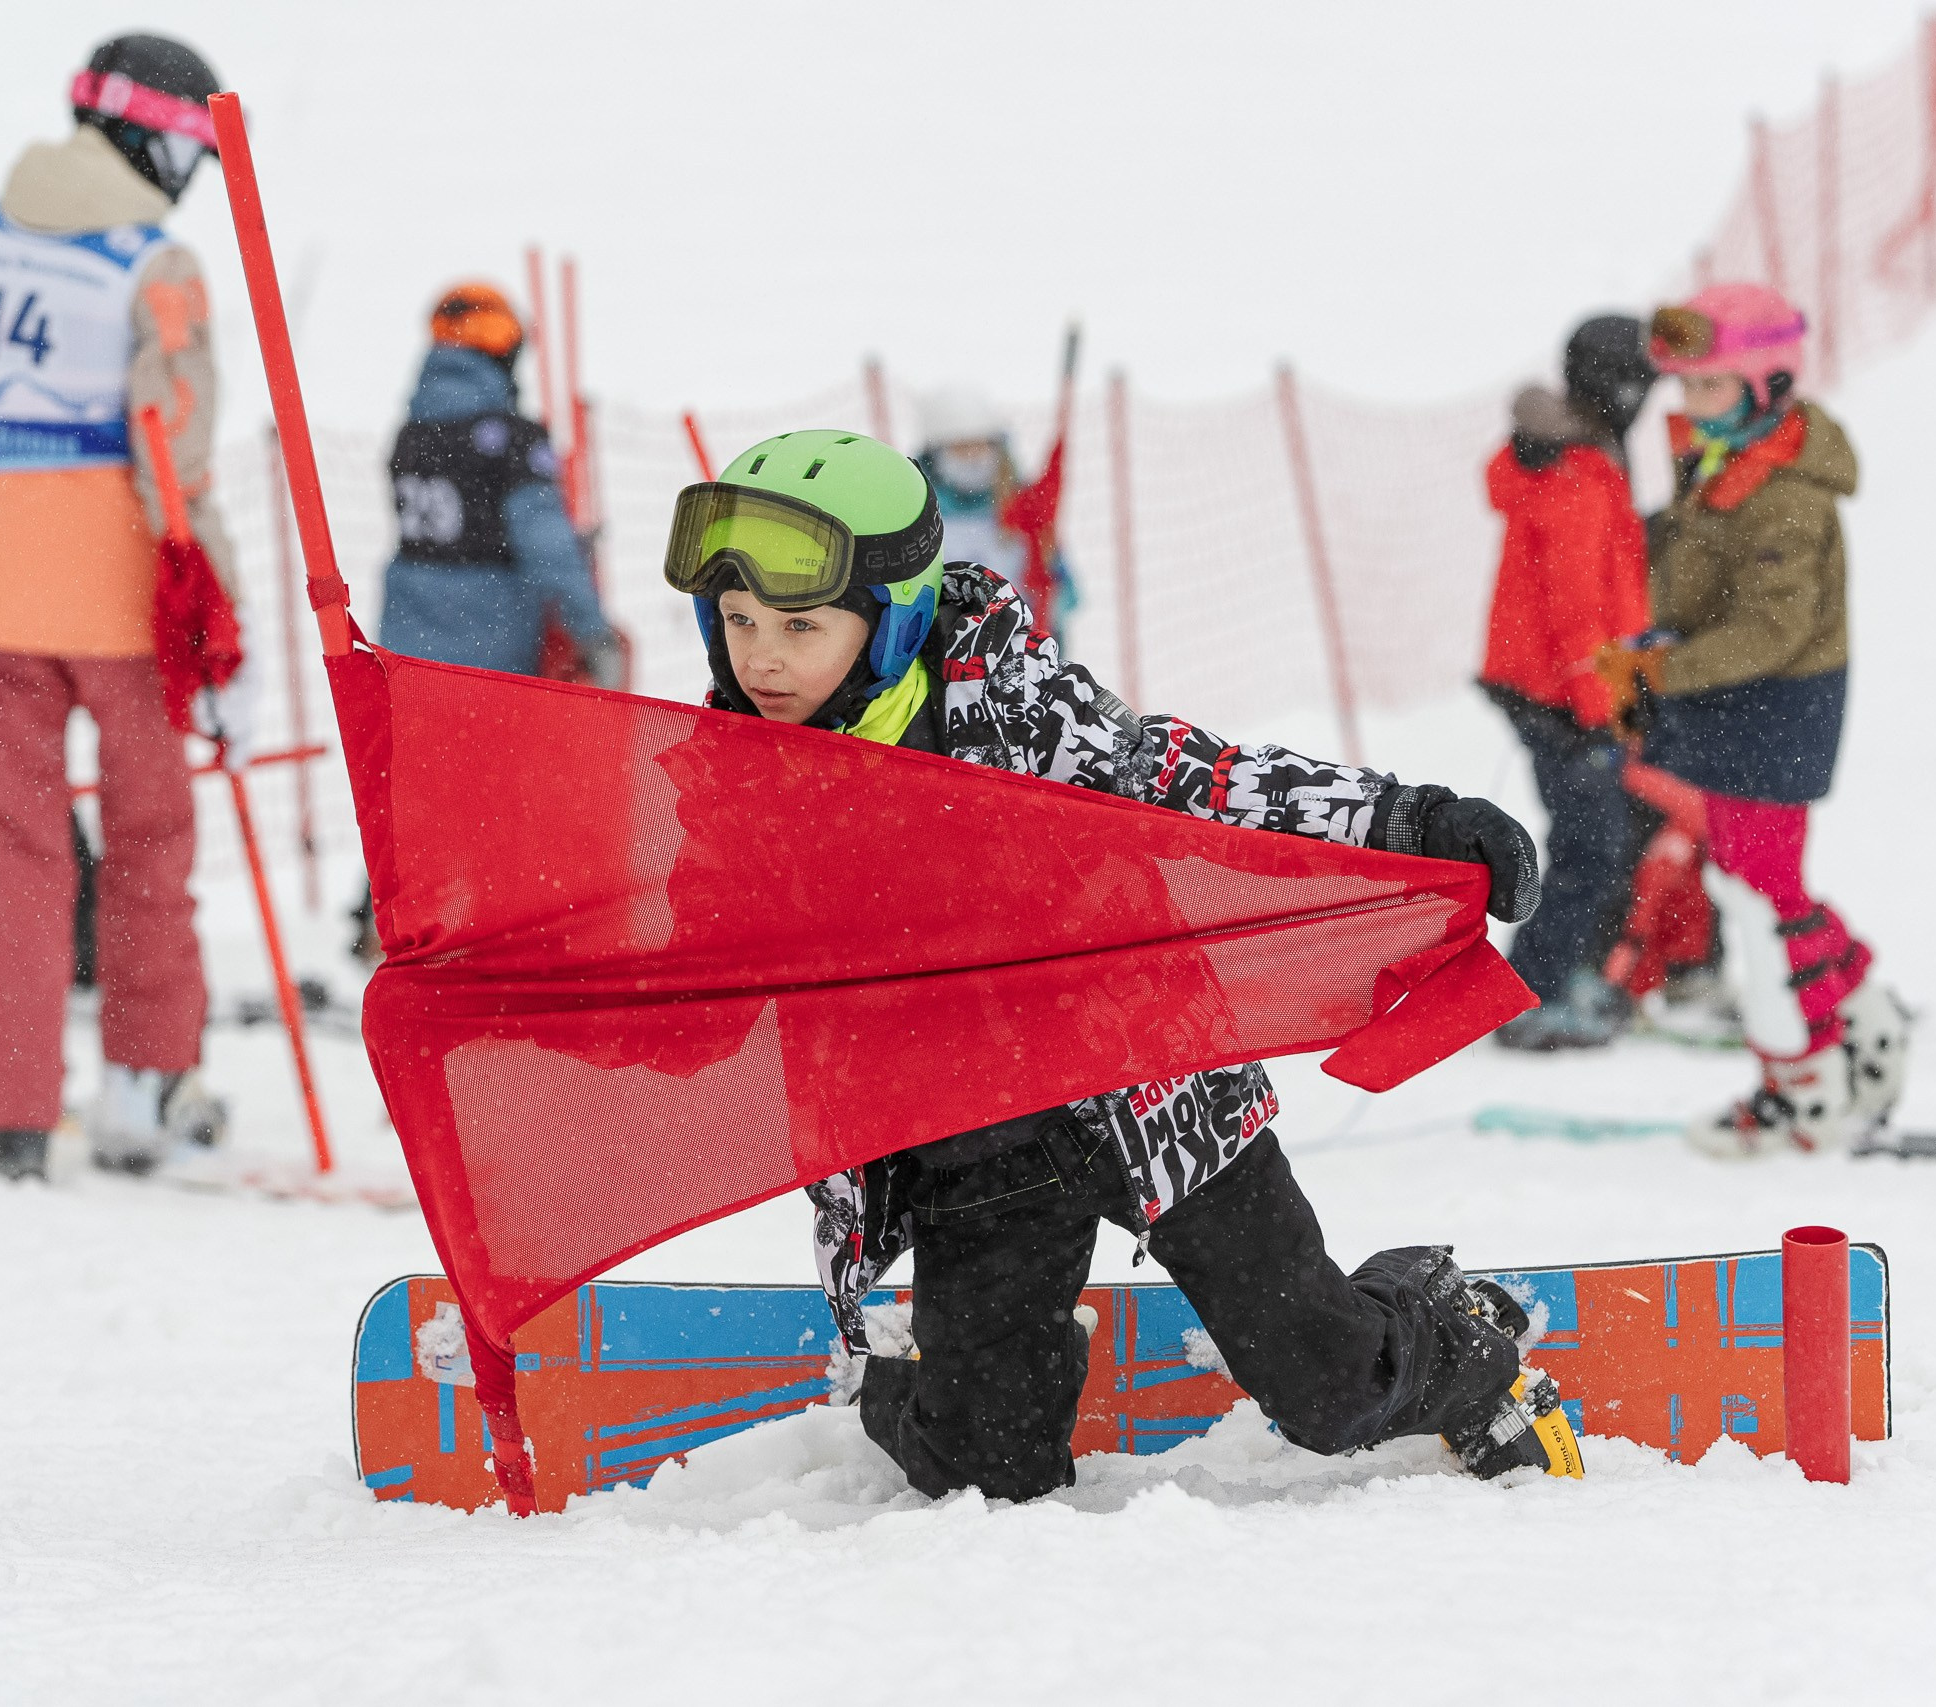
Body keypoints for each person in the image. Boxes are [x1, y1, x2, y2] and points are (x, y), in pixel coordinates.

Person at [665, 429, 1581, 1499]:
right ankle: (942, 1378)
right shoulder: (738, 790)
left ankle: (1448, 1328)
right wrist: (622, 1015)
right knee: (983, 1473)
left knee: (1333, 1391)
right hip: (972, 1148)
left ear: (893, 622)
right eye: (737, 622)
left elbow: (1199, 781)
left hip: (1148, 1093)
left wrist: (1410, 821)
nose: (761, 659)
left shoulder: (1012, 715)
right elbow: (697, 971)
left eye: (799, 625)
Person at [0, 33, 237, 1180]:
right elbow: (171, 463)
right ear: (157, 140)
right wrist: (217, 608)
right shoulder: (156, 265)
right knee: (148, 841)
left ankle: (6, 1117)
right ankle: (144, 1084)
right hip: (118, 599)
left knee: (23, 853)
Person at [1598, 283, 1908, 1155]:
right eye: (1688, 386)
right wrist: (1654, 643)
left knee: (1760, 901)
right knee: (1756, 884)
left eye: (1713, 386)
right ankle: (1867, 1029)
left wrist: (1665, 669)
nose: (1695, 403)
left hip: (1774, 708)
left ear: (1769, 383)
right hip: (1736, 707)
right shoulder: (1726, 457)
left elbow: (1774, 627)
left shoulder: (1786, 492)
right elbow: (1705, 581)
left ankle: (1801, 1091)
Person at [353, 282, 622, 959]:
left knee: (417, 788)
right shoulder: (509, 438)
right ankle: (490, 927)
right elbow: (542, 542)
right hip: (492, 638)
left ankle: (386, 916)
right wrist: (590, 625)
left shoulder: (410, 434)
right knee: (499, 789)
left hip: (410, 635)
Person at [1478, 316, 1659, 1050]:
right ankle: (1529, 995)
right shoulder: (1577, 469)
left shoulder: (1588, 453)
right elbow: (1577, 609)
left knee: (1598, 838)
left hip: (1562, 687)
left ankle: (1558, 975)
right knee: (1592, 845)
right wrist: (1599, 711)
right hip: (1559, 696)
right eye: (1640, 384)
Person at [916, 389, 1074, 631]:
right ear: (934, 455)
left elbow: (1059, 598)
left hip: (1017, 642)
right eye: (961, 448)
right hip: (942, 643)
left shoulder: (1023, 514)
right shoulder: (917, 516)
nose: (972, 458)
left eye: (981, 447)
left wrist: (1052, 579)